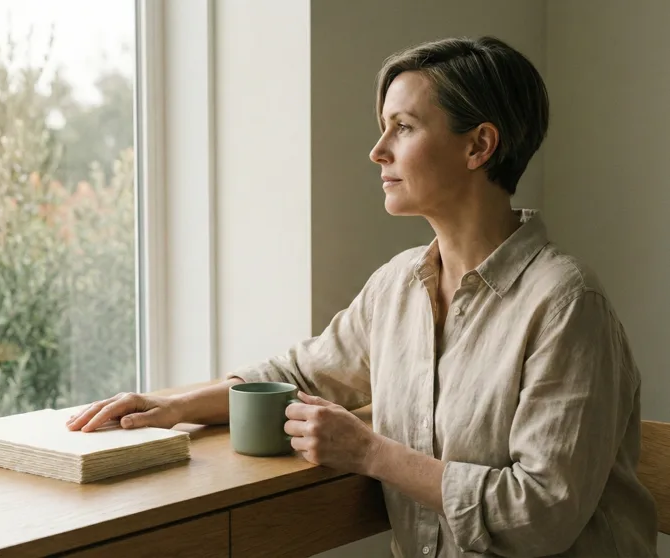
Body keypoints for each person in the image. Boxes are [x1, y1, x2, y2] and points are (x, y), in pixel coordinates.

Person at [67, 36, 658, 557]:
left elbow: (539, 516)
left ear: (479, 146)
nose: (378, 151)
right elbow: (299, 373)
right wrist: (172, 408)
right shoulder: (397, 286)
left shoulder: (566, 305)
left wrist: (372, 454)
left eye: (403, 127)